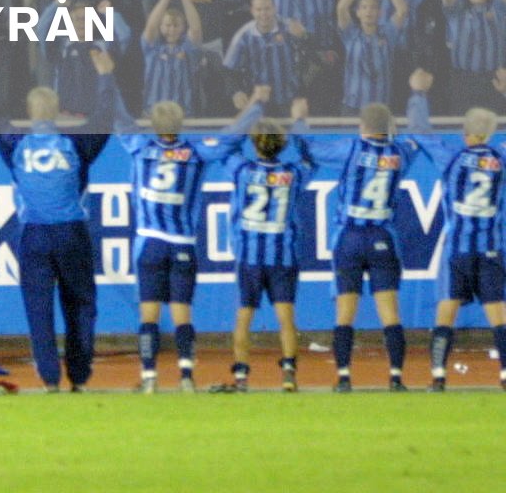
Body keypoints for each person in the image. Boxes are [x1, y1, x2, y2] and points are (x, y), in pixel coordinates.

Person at [97, 55, 267, 393]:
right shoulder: (195, 152)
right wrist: (255, 106)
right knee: (182, 313)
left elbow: (117, 115)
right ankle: (186, 375)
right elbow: (232, 136)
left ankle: (149, 378)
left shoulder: (139, 146)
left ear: (153, 123)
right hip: (182, 244)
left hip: (149, 242)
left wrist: (107, 77)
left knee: (148, 314)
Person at [303, 86, 433, 391]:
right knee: (390, 311)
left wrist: (300, 123)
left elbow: (310, 148)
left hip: (349, 237)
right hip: (382, 237)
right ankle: (397, 378)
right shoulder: (400, 152)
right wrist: (411, 107)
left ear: (362, 125)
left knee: (345, 313)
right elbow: (417, 137)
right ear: (388, 127)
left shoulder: (350, 149)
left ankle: (344, 378)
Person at [0, 84, 110, 392]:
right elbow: (105, 116)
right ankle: (79, 377)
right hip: (71, 232)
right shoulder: (76, 143)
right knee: (80, 305)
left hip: (34, 234)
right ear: (56, 112)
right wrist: (106, 76)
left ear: (29, 113)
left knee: (38, 308)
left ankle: (50, 378)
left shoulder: (16, 143)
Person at [216, 113, 315, 393]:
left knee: (244, 317)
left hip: (249, 256)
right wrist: (298, 125)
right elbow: (311, 158)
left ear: (254, 143)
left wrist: (244, 119)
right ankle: (289, 373)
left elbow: (225, 147)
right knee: (286, 318)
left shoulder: (241, 170)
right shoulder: (294, 174)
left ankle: (241, 377)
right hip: (282, 255)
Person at [420, 82, 506, 391]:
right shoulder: (501, 157)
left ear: (467, 132)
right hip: (491, 248)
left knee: (446, 312)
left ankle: (439, 376)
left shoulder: (451, 159)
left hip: (457, 249)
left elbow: (422, 133)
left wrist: (419, 96)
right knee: (499, 314)